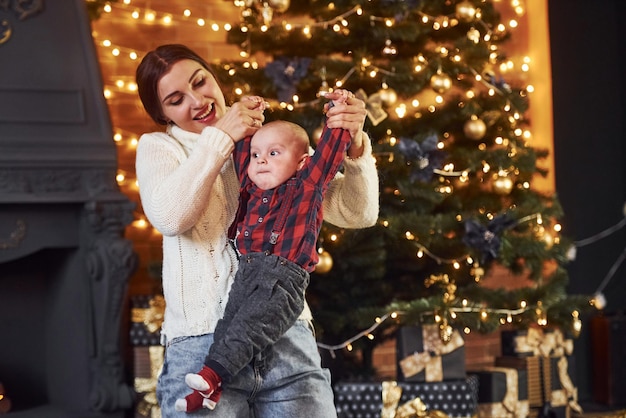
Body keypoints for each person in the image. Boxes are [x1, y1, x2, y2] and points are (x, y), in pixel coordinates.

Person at [135, 44, 379, 417]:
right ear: (161, 114)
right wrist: (221, 141)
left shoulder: (265, 145)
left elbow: (356, 212)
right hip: (200, 345)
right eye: (176, 99)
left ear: (214, 78)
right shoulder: (159, 148)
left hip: (285, 338)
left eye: (201, 82)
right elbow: (171, 217)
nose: (198, 100)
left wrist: (356, 145)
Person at [176, 92, 353, 412]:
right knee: (229, 325)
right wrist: (250, 112)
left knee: (250, 326)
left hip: (283, 277)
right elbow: (243, 149)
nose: (261, 160)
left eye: (274, 153)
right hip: (248, 271)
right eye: (258, 154)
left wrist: (337, 114)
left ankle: (213, 375)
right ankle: (208, 390)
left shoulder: (307, 186)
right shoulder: (250, 185)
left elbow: (329, 153)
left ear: (300, 162)